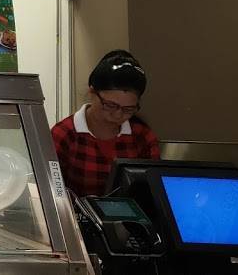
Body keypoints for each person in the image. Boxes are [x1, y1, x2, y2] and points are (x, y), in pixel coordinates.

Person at [51, 50, 159, 197]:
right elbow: (50, 191)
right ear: (92, 92)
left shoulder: (142, 136)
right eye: (110, 105)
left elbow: (153, 191)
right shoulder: (64, 134)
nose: (118, 114)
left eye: (128, 109)